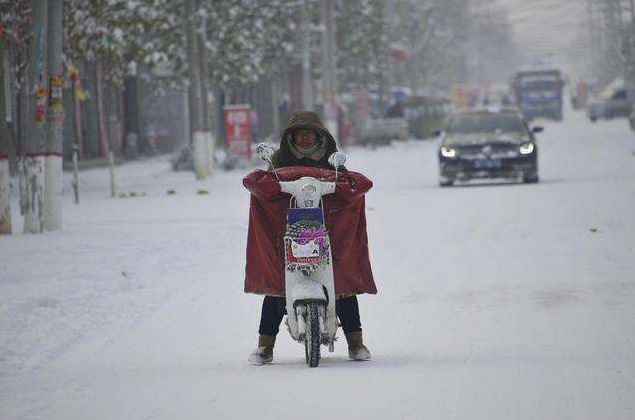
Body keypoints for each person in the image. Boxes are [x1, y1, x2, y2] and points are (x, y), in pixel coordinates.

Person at [248, 110, 372, 365]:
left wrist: (343, 188)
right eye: (300, 134)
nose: (305, 139)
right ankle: (265, 346)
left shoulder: (332, 161)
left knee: (342, 284)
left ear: (320, 136)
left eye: (310, 134)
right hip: (287, 231)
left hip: (327, 233)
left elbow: (351, 184)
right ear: (291, 138)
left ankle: (356, 342)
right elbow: (261, 185)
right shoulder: (278, 160)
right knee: (278, 286)